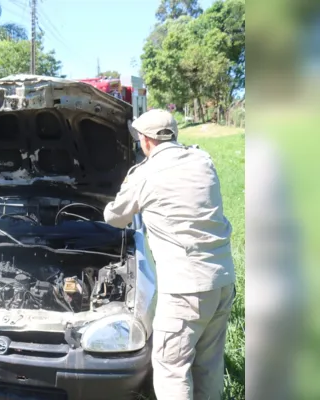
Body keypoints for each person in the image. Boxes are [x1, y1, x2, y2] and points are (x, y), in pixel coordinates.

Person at [103, 109, 236, 400]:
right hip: (223, 279)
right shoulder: (203, 160)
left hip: (186, 290)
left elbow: (115, 218)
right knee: (209, 364)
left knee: (171, 368)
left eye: (139, 138)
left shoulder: (145, 174)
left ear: (146, 141)